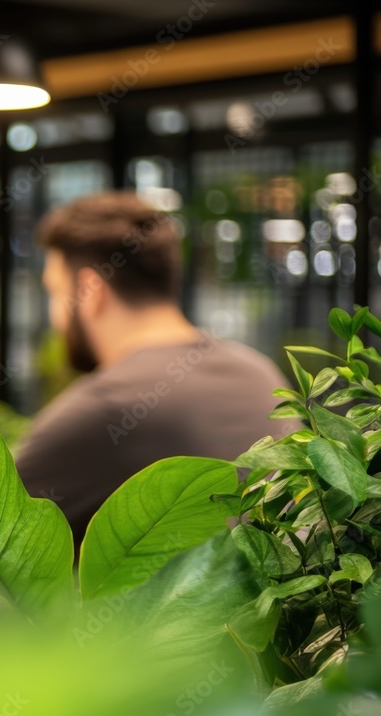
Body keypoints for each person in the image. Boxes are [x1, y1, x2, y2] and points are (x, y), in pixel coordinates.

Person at [14, 190, 289, 547]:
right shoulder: (261, 374)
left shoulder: (104, 407)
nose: (54, 317)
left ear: (89, 290)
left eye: (54, 291)